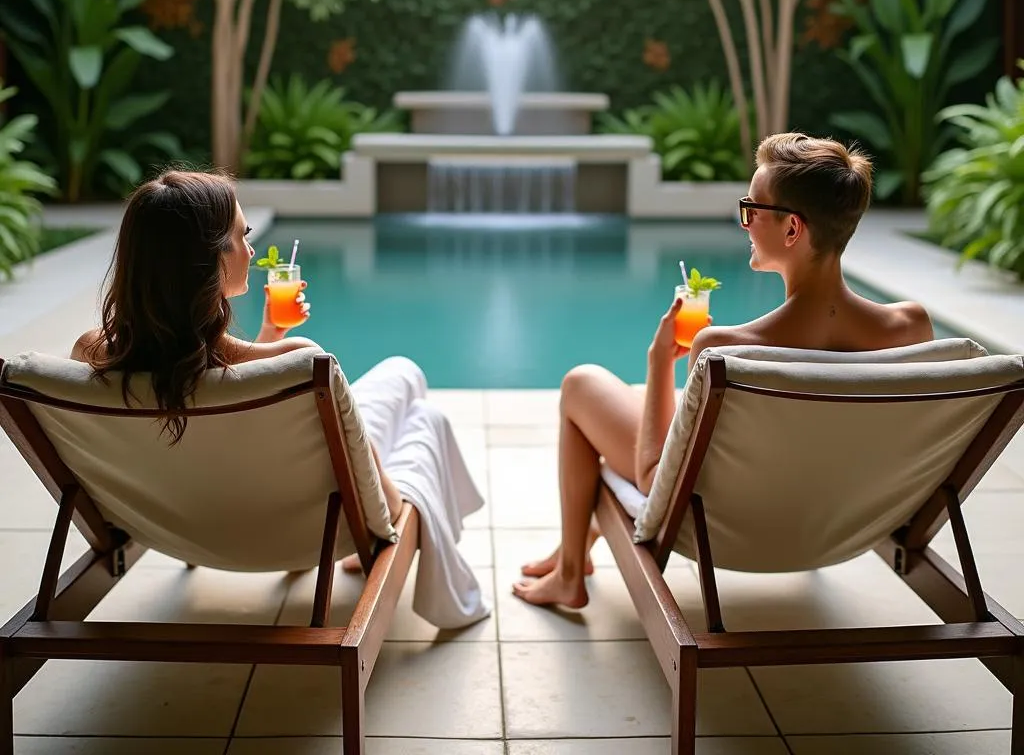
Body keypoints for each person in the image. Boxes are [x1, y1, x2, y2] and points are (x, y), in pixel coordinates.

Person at [512, 133, 934, 609]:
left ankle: (570, 573)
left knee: (582, 385)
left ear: (792, 229)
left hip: (731, 528)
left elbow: (655, 480)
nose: (746, 223)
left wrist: (658, 363)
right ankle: (575, 549)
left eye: (752, 210)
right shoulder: (909, 327)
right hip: (838, 523)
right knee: (629, 401)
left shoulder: (726, 349)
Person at [73, 169, 489, 628]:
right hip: (305, 534)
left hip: (177, 525)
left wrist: (269, 336)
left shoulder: (91, 355)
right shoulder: (300, 362)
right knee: (423, 417)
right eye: (242, 236)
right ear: (209, 259)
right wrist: (406, 487)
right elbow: (385, 509)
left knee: (404, 377)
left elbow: (213, 396)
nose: (251, 250)